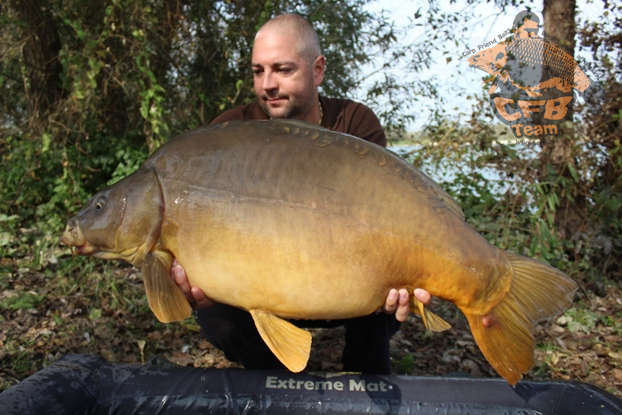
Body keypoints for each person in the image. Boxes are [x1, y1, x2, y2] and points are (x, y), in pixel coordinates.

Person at [170, 13, 433, 374]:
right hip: (262, 283)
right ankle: (273, 380)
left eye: (282, 70)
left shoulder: (355, 125)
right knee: (215, 315)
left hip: (340, 280)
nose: (268, 85)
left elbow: (381, 218)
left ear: (318, 70)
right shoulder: (229, 133)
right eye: (258, 71)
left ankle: (368, 375)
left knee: (385, 281)